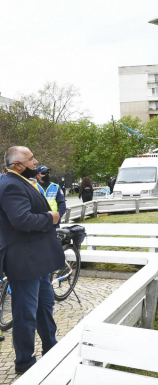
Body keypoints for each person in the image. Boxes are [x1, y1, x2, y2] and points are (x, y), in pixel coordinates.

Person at [0, 146, 64, 374]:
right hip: (25, 262)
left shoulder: (22, 181)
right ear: (18, 165)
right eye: (31, 159)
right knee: (25, 314)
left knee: (44, 308)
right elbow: (22, 220)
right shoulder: (10, 186)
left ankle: (51, 349)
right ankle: (24, 363)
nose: (35, 161)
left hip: (38, 260)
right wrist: (50, 217)